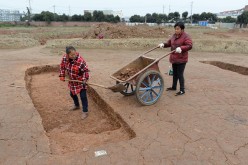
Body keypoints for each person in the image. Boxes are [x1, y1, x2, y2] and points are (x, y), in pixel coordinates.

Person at [158, 22, 193, 96]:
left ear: (182, 29)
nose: (176, 30)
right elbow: (169, 43)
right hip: (174, 58)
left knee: (180, 74)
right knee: (175, 74)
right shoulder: (174, 36)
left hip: (181, 59)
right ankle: (174, 87)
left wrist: (181, 48)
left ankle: (182, 90)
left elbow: (189, 45)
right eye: (175, 29)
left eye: (178, 29)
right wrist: (163, 44)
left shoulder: (186, 36)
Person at [59, 46, 90, 119]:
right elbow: (62, 67)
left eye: (75, 54)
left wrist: (85, 79)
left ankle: (85, 111)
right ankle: (77, 105)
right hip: (72, 80)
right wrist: (62, 75)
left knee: (83, 96)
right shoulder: (64, 58)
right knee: (72, 94)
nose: (74, 56)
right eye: (72, 55)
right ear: (67, 55)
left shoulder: (80, 61)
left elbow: (86, 71)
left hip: (81, 80)